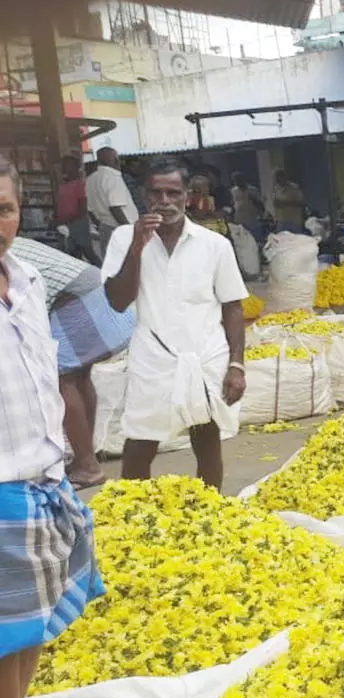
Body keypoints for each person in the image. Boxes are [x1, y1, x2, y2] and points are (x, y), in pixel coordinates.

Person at [0, 157, 109, 698]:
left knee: (29, 630)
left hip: (38, 476)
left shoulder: (29, 276)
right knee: (2, 637)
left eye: (4, 207)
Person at [101, 158, 248, 489]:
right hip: (153, 356)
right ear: (144, 196)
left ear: (187, 196)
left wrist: (237, 364)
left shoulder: (214, 245)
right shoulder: (125, 239)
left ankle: (208, 511)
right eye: (157, 194)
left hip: (205, 354)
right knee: (140, 441)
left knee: (207, 438)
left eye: (173, 193)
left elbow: (233, 307)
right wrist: (138, 247)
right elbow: (118, 300)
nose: (164, 202)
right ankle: (131, 513)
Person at [9, 237, 136, 487]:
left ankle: (87, 466)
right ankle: (84, 456)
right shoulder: (13, 239)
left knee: (60, 378)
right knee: (79, 376)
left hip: (77, 299)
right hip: (92, 289)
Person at [85, 147, 137, 255]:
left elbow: (89, 210)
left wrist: (100, 226)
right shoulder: (113, 177)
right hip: (119, 229)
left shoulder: (91, 179)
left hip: (105, 228)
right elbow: (115, 207)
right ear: (115, 160)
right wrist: (128, 230)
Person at [55, 155, 95, 263]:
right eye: (63, 166)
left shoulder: (79, 184)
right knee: (73, 253)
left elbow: (82, 208)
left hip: (78, 222)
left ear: (76, 168)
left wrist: (66, 220)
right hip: (66, 223)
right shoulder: (63, 185)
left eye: (67, 166)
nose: (64, 169)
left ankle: (102, 272)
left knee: (87, 251)